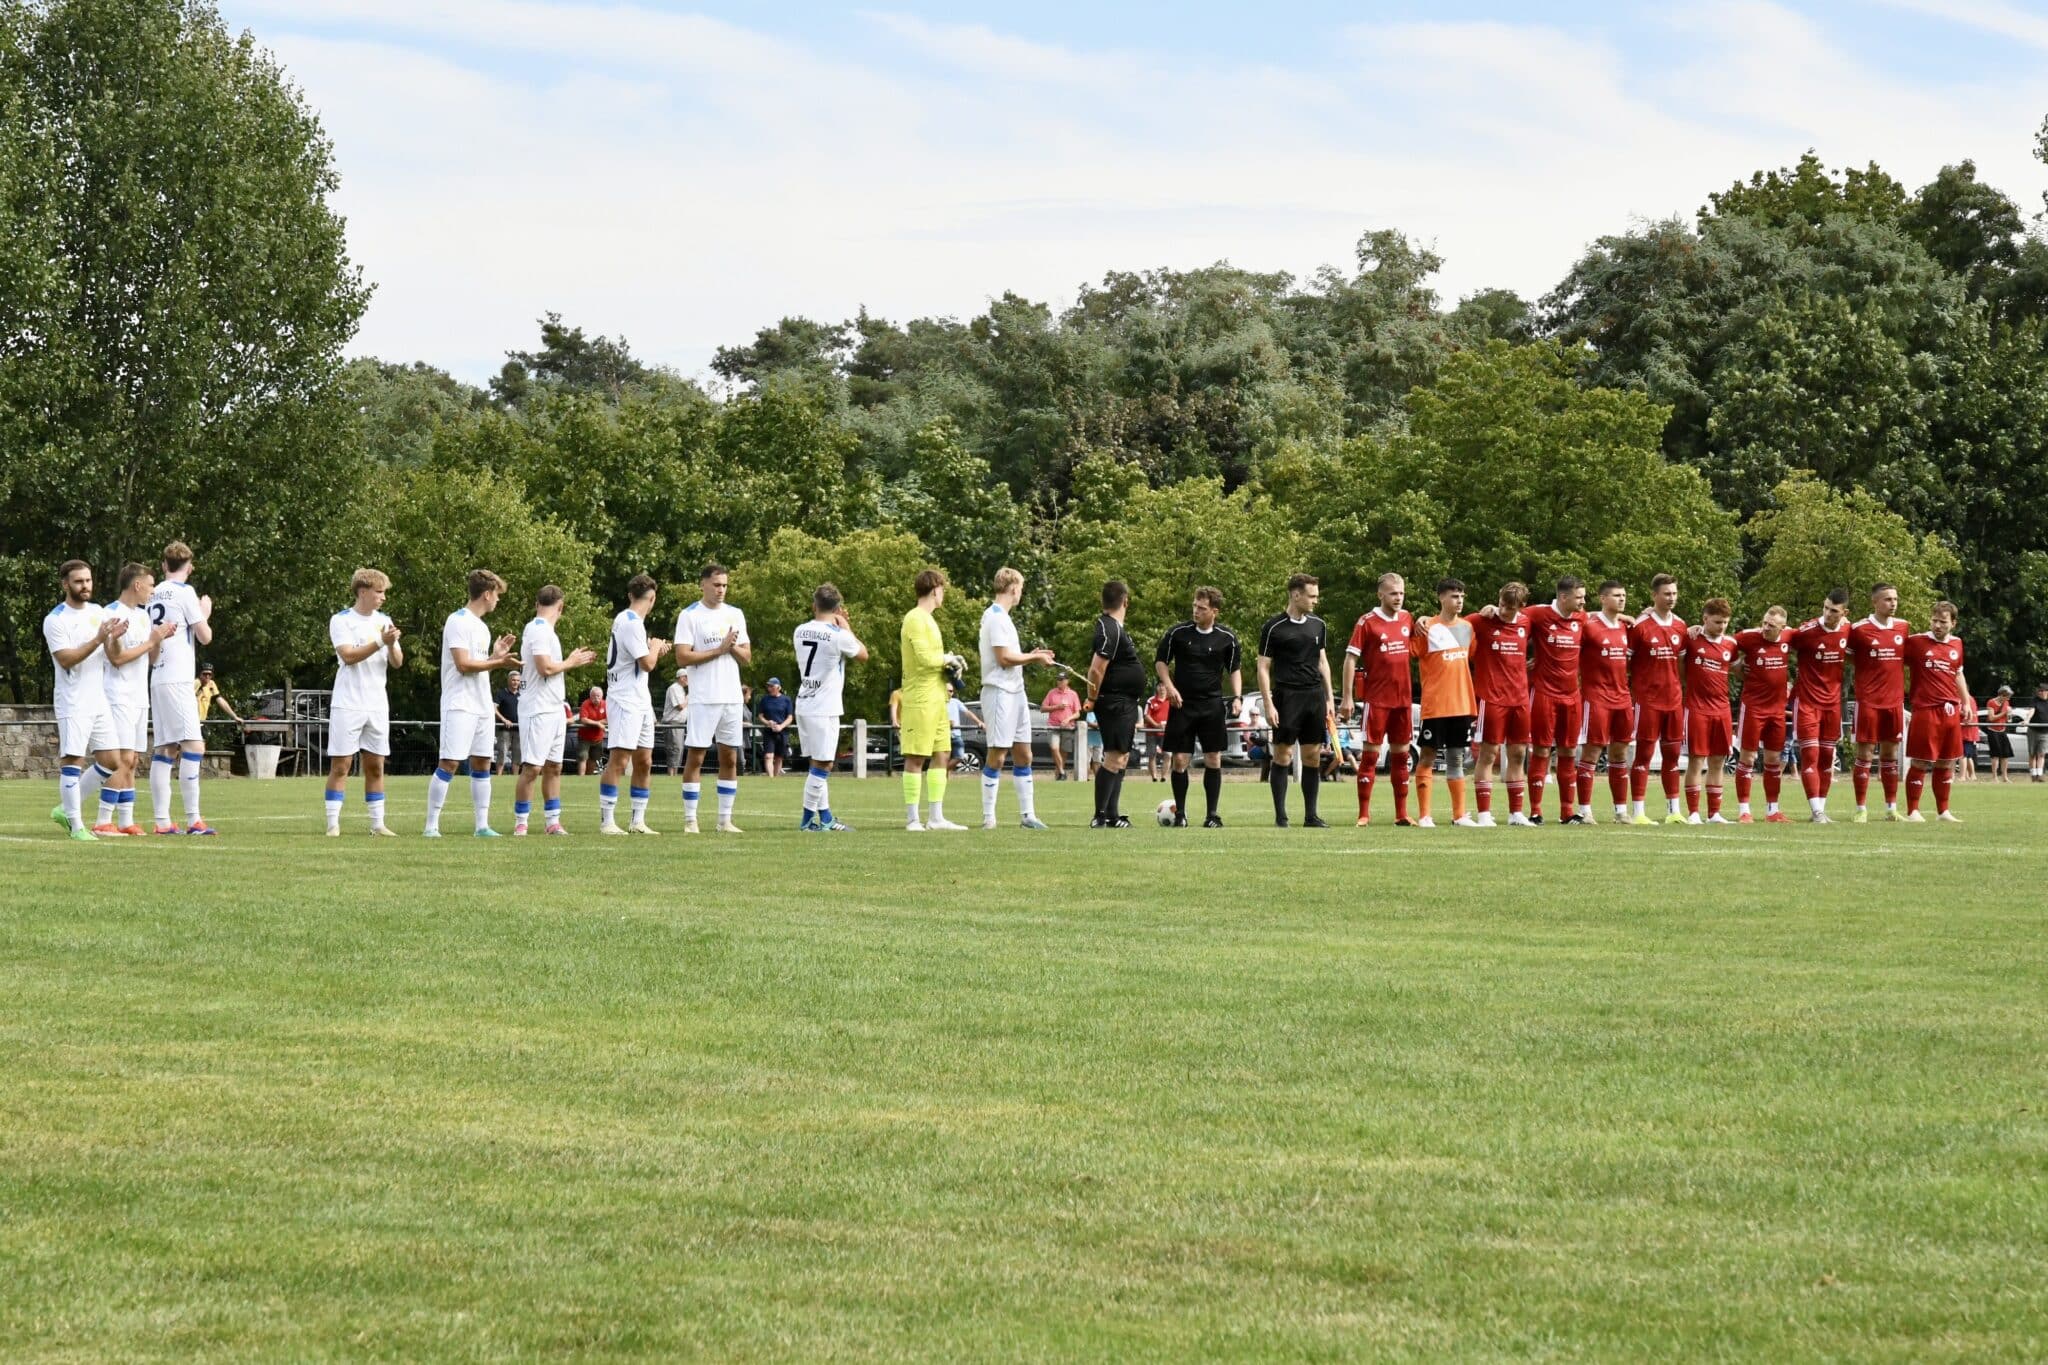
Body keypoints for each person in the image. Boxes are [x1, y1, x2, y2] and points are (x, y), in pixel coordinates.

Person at [426, 569, 518, 837]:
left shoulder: (483, 627)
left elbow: (480, 665)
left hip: (481, 704)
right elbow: (463, 665)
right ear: (487, 594)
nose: (497, 601)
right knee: (450, 762)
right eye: (497, 596)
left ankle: (482, 826)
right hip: (459, 703)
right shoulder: (458, 621)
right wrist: (499, 661)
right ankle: (431, 826)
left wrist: (494, 655)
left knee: (482, 762)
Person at [44, 560, 125, 841]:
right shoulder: (56, 620)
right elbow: (66, 659)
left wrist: (114, 638)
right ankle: (77, 827)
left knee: (112, 760)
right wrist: (97, 639)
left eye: (88, 581)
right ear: (65, 584)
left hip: (98, 698)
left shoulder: (98, 612)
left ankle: (66, 808)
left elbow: (113, 656)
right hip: (73, 701)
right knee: (73, 760)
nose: (85, 586)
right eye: (79, 582)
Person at [324, 567, 404, 836]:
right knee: (341, 765)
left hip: (377, 704)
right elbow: (348, 656)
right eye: (379, 592)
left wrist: (392, 644)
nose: (383, 597)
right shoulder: (341, 620)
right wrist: (381, 641)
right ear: (362, 592)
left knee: (376, 765)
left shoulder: (385, 620)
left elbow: (397, 662)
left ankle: (377, 824)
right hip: (348, 702)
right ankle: (333, 823)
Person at [673, 562, 752, 833]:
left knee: (729, 757)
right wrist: (718, 650)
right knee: (696, 755)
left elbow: (747, 656)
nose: (721, 590)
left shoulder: (735, 614)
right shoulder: (690, 615)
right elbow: (683, 656)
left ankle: (724, 819)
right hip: (704, 697)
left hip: (731, 697)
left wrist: (730, 649)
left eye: (725, 585)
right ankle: (690, 819)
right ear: (703, 584)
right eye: (717, 585)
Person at [1155, 586, 1243, 828]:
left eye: (1202, 608)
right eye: (1194, 605)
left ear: (1214, 611)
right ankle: (1181, 814)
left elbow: (1234, 670)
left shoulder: (1228, 638)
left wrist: (1237, 697)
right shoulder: (1178, 633)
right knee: (1180, 759)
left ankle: (1212, 815)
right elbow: (1161, 662)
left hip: (1212, 705)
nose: (1196, 611)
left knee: (1213, 758)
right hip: (1182, 705)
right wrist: (1170, 687)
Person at [512, 584, 596, 836]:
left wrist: (569, 662)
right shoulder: (537, 629)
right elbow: (545, 668)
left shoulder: (547, 631)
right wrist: (571, 662)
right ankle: (521, 822)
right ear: (561, 607)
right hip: (537, 709)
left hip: (554, 708)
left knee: (554, 767)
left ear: (538, 603)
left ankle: (552, 821)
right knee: (532, 768)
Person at [977, 567, 1055, 829]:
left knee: (1024, 754)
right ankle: (989, 817)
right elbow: (1003, 658)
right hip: (999, 691)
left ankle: (1028, 816)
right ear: (1013, 588)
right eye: (1020, 588)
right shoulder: (995, 617)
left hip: (1016, 691)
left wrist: (1030, 654)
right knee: (998, 755)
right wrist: (1034, 658)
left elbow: (1012, 655)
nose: (1021, 592)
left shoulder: (1005, 618)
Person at [148, 541, 216, 835]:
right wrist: (204, 612)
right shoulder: (185, 592)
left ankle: (163, 821)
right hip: (177, 676)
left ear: (163, 565)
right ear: (189, 567)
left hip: (157, 675)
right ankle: (193, 819)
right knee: (194, 745)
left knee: (167, 747)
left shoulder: (152, 594)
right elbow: (205, 637)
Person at [102, 563, 176, 835]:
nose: (152, 591)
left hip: (138, 696)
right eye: (151, 584)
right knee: (120, 759)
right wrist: (150, 641)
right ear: (137, 585)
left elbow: (149, 659)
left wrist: (160, 640)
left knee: (132, 759)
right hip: (117, 695)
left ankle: (126, 820)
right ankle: (103, 819)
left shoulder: (144, 617)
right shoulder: (111, 613)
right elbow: (118, 659)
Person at [1256, 573, 1334, 828]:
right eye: (1311, 596)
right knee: (1283, 755)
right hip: (1287, 696)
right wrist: (1268, 703)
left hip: (1314, 697)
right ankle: (1281, 817)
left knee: (1312, 756)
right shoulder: (1273, 627)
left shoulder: (1318, 625)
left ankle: (1311, 816)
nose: (1315, 601)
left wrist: (1330, 698)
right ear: (1295, 594)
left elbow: (1323, 663)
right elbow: (1263, 667)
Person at [598, 574, 672, 835]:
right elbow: (647, 663)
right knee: (619, 759)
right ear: (652, 598)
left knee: (645, 760)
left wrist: (653, 649)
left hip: (640, 698)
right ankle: (607, 821)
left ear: (631, 595)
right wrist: (656, 647)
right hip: (625, 698)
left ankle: (637, 821)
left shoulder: (631, 622)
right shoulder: (630, 622)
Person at [1340, 572, 1415, 826]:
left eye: (1402, 593)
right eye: (1393, 593)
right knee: (1371, 756)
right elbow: (1351, 659)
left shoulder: (1407, 618)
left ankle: (1401, 813)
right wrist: (1347, 698)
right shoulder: (1367, 622)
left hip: (1403, 700)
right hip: (1377, 699)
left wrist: (1426, 619)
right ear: (1380, 594)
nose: (1398, 598)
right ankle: (1364, 813)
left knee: (1401, 757)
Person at [793, 582, 867, 831]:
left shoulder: (800, 630)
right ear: (837, 608)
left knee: (817, 761)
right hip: (824, 706)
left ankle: (825, 817)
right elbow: (863, 654)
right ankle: (807, 821)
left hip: (804, 702)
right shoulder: (839, 636)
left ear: (814, 605)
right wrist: (846, 626)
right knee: (824, 764)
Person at [1408, 578, 1478, 827]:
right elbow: (1410, 650)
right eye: (1453, 596)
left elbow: (1472, 657)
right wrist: (1418, 619)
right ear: (1441, 598)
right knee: (1427, 756)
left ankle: (1459, 815)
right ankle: (1425, 815)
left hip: (1461, 705)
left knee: (1456, 758)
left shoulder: (1469, 628)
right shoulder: (1427, 627)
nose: (1459, 600)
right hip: (1435, 705)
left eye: (1461, 596)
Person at [899, 567, 964, 830]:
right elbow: (925, 658)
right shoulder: (914, 618)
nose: (943, 595)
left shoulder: (930, 620)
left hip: (938, 698)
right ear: (934, 589)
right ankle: (913, 818)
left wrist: (951, 666)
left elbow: (933, 660)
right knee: (916, 756)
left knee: (943, 752)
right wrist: (947, 658)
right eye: (942, 589)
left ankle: (936, 817)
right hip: (920, 698)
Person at [1521, 577, 1587, 825]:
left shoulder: (1581, 618)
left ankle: (1567, 811)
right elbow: (1510, 615)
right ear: (1563, 597)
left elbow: (1604, 621)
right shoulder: (1538, 614)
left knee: (1569, 752)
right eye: (1579, 597)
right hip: (1544, 694)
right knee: (1541, 750)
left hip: (1572, 696)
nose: (1583, 601)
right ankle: (1536, 811)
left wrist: (1625, 617)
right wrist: (1493, 609)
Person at [1468, 581, 1532, 826]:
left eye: (1511, 607)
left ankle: (1516, 813)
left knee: (1517, 754)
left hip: (1520, 699)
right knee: (1488, 754)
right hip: (1492, 698)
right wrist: (1422, 619)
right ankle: (1484, 814)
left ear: (1521, 607)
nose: (1505, 610)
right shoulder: (1482, 620)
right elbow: (1449, 621)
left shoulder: (1527, 622)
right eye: (1503, 605)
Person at [1086, 579, 1147, 828]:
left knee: (1120, 757)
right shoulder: (1109, 628)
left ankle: (1112, 814)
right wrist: (1091, 697)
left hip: (1125, 701)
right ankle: (1101, 815)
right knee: (1114, 756)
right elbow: (1096, 669)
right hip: (1115, 701)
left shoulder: (1113, 627)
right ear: (1125, 601)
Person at [1848, 583, 1912, 822]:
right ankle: (1861, 809)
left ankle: (1891, 808)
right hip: (1868, 701)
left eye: (1895, 599)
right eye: (1887, 599)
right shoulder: (1859, 629)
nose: (1893, 603)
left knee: (1890, 754)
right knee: (1864, 754)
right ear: (1874, 602)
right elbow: (1846, 654)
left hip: (1894, 702)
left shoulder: (1903, 627)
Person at [1628, 573, 1688, 825]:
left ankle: (1674, 810)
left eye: (1674, 593)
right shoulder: (1640, 626)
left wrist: (1679, 688)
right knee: (1643, 755)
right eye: (1666, 593)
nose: (1671, 598)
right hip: (1648, 701)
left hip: (1673, 700)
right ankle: (1639, 812)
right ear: (1654, 595)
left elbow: (1682, 664)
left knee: (1673, 757)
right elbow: (1626, 664)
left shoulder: (1681, 626)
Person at [1789, 589, 1853, 822]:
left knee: (1828, 756)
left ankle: (1822, 809)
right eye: (1825, 608)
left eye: (1834, 611)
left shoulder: (1847, 629)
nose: (1827, 613)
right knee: (1811, 755)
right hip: (1807, 702)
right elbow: (1777, 638)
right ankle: (1816, 811)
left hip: (1832, 704)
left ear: (1844, 613)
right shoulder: (1806, 631)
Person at [1902, 601, 1968, 822]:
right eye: (1935, 620)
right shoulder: (1917, 642)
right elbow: (1892, 661)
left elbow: (1957, 674)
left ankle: (1943, 811)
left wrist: (1966, 702)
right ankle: (1913, 811)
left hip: (1950, 710)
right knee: (1920, 760)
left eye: (1943, 621)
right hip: (1926, 708)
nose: (1938, 625)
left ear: (1953, 623)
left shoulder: (1957, 644)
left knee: (1946, 761)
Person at [1578, 579, 1636, 825]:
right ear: (1603, 598)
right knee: (1592, 751)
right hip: (1596, 697)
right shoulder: (1588, 625)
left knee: (1620, 752)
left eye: (1623, 595)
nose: (1621, 599)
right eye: (1616, 595)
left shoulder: (1626, 627)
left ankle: (1621, 811)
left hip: (1622, 697)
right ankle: (1584, 810)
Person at [1731, 605, 1793, 823]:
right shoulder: (1749, 637)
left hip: (1777, 710)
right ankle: (1744, 811)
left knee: (1774, 760)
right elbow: (1722, 644)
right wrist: (1737, 666)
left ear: (1782, 628)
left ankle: (1772, 811)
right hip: (1754, 707)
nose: (1765, 628)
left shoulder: (1789, 637)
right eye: (1764, 622)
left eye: (1771, 625)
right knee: (1747, 758)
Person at [1680, 598, 1737, 823]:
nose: (1721, 626)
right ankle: (1694, 813)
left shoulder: (1731, 644)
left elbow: (1734, 667)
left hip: (1722, 709)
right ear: (1705, 619)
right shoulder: (1692, 639)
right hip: (1696, 708)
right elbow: (1680, 668)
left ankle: (1714, 813)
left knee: (1717, 761)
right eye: (1717, 622)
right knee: (1696, 760)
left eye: (1724, 622)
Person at [1041, 674, 1082, 780]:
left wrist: (1068, 719)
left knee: (1063, 753)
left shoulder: (1073, 694)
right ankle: (1062, 772)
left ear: (1067, 681)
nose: (1059, 682)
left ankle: (1059, 775)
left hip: (1067, 727)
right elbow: (1043, 708)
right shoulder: (1051, 693)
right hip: (1053, 726)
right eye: (1058, 680)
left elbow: (1077, 714)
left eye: (1061, 680)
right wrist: (1057, 707)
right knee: (1054, 748)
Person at [756, 677, 794, 777]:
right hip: (769, 732)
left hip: (782, 732)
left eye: (772, 686)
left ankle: (775, 779)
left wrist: (781, 726)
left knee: (779, 757)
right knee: (768, 756)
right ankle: (770, 778)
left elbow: (790, 717)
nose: (770, 688)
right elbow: (760, 716)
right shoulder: (764, 699)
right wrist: (768, 722)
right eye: (769, 686)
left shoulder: (787, 700)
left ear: (779, 687)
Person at [492, 671, 521, 775]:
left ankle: (515, 778)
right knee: (502, 754)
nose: (515, 682)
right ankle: (499, 777)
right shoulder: (501, 693)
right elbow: (494, 708)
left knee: (517, 755)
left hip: (519, 730)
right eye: (513, 680)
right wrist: (504, 720)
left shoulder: (522, 695)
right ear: (509, 680)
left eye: (517, 680)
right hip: (504, 730)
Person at [661, 669, 688, 775]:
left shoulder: (680, 689)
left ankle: (675, 775)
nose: (688, 680)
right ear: (681, 677)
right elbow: (680, 706)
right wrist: (688, 698)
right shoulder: (674, 688)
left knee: (679, 749)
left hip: (679, 724)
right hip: (673, 723)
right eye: (687, 677)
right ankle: (671, 775)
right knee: (674, 749)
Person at [576, 685, 607, 775]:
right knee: (583, 757)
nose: (596, 698)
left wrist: (594, 722)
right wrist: (597, 723)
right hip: (584, 737)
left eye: (598, 696)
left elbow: (608, 719)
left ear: (602, 697)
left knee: (594, 759)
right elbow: (584, 719)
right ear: (590, 696)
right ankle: (581, 778)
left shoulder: (606, 704)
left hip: (598, 738)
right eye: (594, 696)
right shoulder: (585, 704)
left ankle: (589, 778)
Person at [1143, 682, 1171, 781]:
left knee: (1168, 754)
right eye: (1159, 686)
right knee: (1152, 754)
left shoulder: (1171, 700)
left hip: (1166, 733)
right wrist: (1156, 725)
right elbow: (1146, 715)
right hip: (1152, 732)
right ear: (1157, 688)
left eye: (1164, 685)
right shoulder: (1151, 700)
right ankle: (1154, 777)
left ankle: (1163, 777)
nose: (1162, 688)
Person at [1985, 685, 2013, 782]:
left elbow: (2008, 719)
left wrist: (2009, 714)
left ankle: (2005, 777)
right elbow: (1991, 718)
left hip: (2002, 730)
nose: (2008, 699)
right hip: (1993, 731)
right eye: (2007, 696)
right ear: (2001, 695)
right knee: (1995, 755)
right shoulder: (1991, 702)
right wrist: (2004, 713)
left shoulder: (2006, 702)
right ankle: (1994, 777)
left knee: (2005, 755)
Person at [1959, 695, 1982, 782]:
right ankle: (1971, 775)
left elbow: (1969, 715)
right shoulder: (1969, 699)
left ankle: (1963, 776)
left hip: (1967, 732)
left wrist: (1958, 712)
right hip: (1968, 732)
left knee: (1963, 755)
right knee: (1968, 756)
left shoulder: (1967, 700)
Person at [2030, 682, 2048, 781]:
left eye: (2042, 691)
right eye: (2039, 691)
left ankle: (2040, 775)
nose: (2040, 692)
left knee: (2041, 754)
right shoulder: (2034, 700)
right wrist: (2027, 720)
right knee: (2032, 754)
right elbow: (2031, 711)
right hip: (2033, 730)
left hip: (2045, 732)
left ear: (2047, 692)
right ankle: (2033, 775)